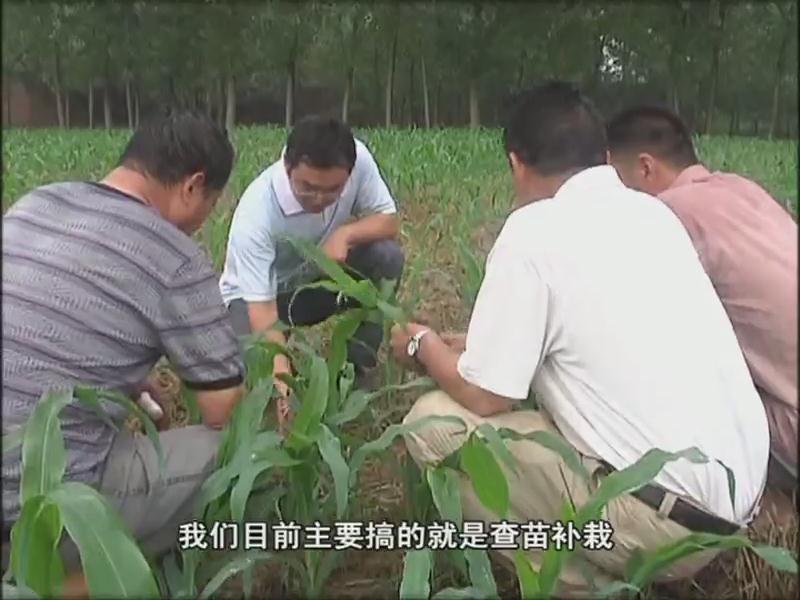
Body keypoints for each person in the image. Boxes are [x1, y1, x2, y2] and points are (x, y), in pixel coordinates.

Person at [389, 82, 770, 596]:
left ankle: (575, 586)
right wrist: (457, 340)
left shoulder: (532, 232)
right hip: (738, 507)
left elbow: (486, 393)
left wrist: (422, 347)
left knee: (434, 423)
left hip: (662, 527)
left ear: (516, 164)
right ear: (606, 158)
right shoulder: (652, 214)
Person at [1, 111, 246, 595]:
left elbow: (40, 328)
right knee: (248, 448)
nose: (202, 221)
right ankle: (60, 581)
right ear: (194, 186)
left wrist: (126, 378)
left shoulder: (35, 204)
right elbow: (227, 409)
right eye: (211, 203)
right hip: (39, 503)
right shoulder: (173, 256)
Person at [606, 106, 798, 495]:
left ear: (645, 167)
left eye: (615, 178)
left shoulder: (665, 216)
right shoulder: (742, 188)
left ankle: (761, 499)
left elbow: (625, 327)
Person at [219, 115, 404, 405]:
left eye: (333, 190)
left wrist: (345, 234)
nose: (319, 198)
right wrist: (283, 379)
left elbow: (389, 221)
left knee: (386, 257)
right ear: (287, 166)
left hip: (316, 284)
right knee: (246, 382)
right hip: (257, 302)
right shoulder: (256, 214)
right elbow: (262, 311)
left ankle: (356, 373)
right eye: (307, 187)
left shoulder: (358, 161)